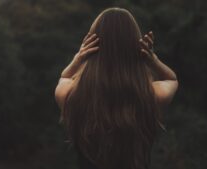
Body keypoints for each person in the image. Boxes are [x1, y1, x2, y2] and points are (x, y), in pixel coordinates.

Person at [54, 7, 178, 169]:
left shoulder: (71, 94)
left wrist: (78, 59)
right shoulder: (150, 95)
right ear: (135, 48)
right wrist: (152, 59)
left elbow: (63, 77)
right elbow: (172, 79)